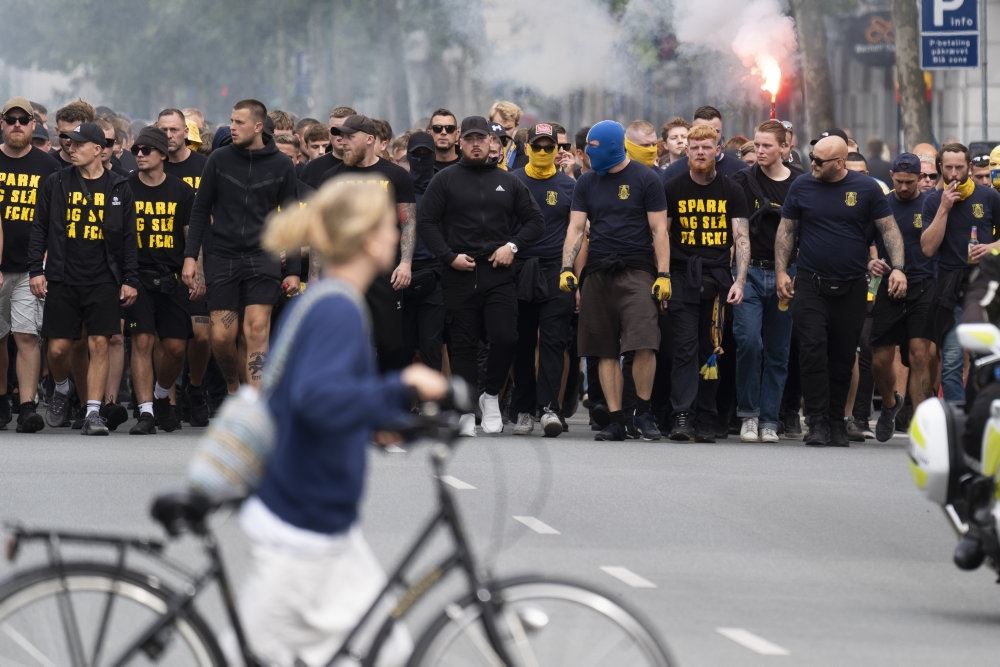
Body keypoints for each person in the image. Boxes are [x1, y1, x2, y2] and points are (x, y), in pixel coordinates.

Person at [236, 176, 446, 664]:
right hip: (304, 513)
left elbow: (312, 395)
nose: (397, 234)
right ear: (368, 237)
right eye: (389, 226)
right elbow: (317, 398)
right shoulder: (338, 309)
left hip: (315, 510)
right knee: (274, 651)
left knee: (377, 646)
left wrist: (377, 417)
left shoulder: (326, 299)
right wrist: (402, 387)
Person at [775, 131, 907, 447]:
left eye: (820, 161)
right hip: (811, 283)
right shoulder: (802, 185)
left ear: (839, 161)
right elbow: (786, 230)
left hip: (851, 288)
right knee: (812, 350)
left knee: (842, 355)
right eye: (812, 159)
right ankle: (817, 422)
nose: (814, 165)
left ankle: (837, 422)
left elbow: (889, 230)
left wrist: (899, 268)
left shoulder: (865, 189)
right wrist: (782, 272)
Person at [417, 115, 543, 436]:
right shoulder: (445, 180)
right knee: (463, 344)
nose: (475, 144)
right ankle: (464, 409)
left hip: (499, 271)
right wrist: (448, 256)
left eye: (481, 139)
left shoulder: (510, 182)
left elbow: (534, 221)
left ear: (491, 143)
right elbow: (427, 222)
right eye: (470, 139)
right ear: (460, 141)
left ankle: (490, 396)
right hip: (460, 271)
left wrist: (511, 247)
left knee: (505, 337)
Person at [181, 99, 300, 394]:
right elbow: (199, 211)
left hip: (263, 256)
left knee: (257, 330)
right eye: (231, 121)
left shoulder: (282, 165)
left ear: (258, 126)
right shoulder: (218, 160)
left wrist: (294, 270)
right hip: (222, 254)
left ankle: (256, 401)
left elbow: (294, 220)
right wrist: (190, 258)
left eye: (239, 123)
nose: (232, 128)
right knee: (221, 337)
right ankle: (234, 386)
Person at [560, 120, 670, 441]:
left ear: (611, 148)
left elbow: (659, 230)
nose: (590, 160)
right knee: (603, 349)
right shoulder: (586, 182)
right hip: (598, 272)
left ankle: (644, 412)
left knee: (644, 342)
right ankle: (616, 417)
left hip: (637, 269)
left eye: (594, 152)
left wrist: (663, 274)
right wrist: (567, 267)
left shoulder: (646, 179)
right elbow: (576, 228)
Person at [27, 121, 139, 435]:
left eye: (78, 144)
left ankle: (93, 412)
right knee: (59, 349)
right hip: (62, 276)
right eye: (69, 144)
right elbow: (40, 229)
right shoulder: (56, 182)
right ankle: (61, 386)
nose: (71, 149)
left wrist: (130, 278)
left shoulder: (119, 187)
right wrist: (36, 270)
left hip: (104, 278)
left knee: (100, 343)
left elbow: (130, 237)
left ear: (98, 150)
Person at [664, 124, 750, 442]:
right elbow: (661, 234)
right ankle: (682, 416)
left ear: (718, 150)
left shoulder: (732, 189)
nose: (701, 152)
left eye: (706, 147)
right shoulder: (672, 187)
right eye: (695, 147)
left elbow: (741, 238)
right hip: (681, 275)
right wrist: (662, 277)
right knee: (684, 348)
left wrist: (739, 281)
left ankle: (707, 415)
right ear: (687, 151)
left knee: (711, 349)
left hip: (717, 278)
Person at [322, 114, 416, 371]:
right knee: (344, 343)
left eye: (350, 136)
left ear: (370, 139)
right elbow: (323, 229)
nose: (343, 142)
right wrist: (317, 276)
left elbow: (407, 221)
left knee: (390, 346)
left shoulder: (396, 176)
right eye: (340, 136)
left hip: (384, 273)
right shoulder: (332, 177)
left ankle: (388, 405)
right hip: (343, 273)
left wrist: (406, 263)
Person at [730, 119, 801, 443]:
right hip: (752, 273)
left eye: (766, 145)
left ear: (785, 147)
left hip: (788, 274)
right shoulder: (742, 181)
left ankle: (770, 419)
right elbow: (739, 233)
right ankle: (748, 414)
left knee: (778, 350)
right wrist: (740, 279)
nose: (759, 151)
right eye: (757, 145)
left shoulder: (800, 183)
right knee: (748, 342)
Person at [125, 126, 197, 435]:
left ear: (163, 156)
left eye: (146, 151)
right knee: (142, 341)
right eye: (136, 151)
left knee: (176, 348)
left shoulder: (181, 191)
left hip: (173, 277)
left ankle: (160, 393)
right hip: (137, 276)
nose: (139, 155)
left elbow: (190, 237)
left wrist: (197, 272)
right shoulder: (124, 188)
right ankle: (145, 412)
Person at [510, 123, 577, 437]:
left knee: (553, 340)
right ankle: (523, 409)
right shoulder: (512, 182)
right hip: (520, 269)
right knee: (521, 342)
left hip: (556, 270)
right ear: (527, 149)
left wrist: (572, 272)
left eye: (548, 147)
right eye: (536, 146)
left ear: (556, 150)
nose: (542, 152)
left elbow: (577, 233)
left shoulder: (568, 186)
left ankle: (549, 407)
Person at [920, 143, 1000, 404]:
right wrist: (943, 208)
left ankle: (980, 411)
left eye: (960, 167)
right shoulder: (933, 200)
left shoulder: (988, 197)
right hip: (950, 289)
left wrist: (991, 247)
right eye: (949, 168)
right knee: (952, 360)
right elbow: (928, 248)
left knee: (983, 358)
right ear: (940, 167)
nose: (954, 174)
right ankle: (957, 417)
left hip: (983, 287)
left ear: (969, 167)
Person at [0, 97, 60, 432]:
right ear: (3, 123)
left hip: (30, 267)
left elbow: (58, 219)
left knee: (25, 336)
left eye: (24, 120)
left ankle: (26, 404)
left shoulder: (48, 167)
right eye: (12, 119)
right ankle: (1, 401)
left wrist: (46, 261)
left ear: (34, 125)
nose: (18, 125)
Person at [868, 153, 936, 442]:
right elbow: (863, 240)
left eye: (910, 182)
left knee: (919, 352)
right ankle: (889, 404)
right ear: (892, 176)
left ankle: (922, 426)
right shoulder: (881, 204)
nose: (905, 187)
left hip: (923, 285)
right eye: (899, 182)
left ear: (921, 178)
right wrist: (869, 262)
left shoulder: (931, 204)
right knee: (880, 358)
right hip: (887, 286)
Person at [158, 107, 212, 425]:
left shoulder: (205, 167)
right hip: (163, 265)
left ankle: (195, 387)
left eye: (175, 130)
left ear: (186, 133)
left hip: (201, 260)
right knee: (167, 339)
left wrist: (201, 266)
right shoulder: (152, 165)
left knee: (202, 336)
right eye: (163, 130)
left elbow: (212, 219)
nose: (169, 136)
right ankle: (168, 399)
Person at [399, 131, 445, 371]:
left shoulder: (443, 186)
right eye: (416, 154)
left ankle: (434, 403)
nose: (421, 159)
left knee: (431, 344)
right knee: (403, 345)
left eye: (427, 154)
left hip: (435, 274)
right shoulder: (399, 187)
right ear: (408, 156)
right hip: (401, 275)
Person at [660, 106, 745, 181]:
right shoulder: (674, 172)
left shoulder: (739, 170)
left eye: (716, 131)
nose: (709, 135)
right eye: (702, 130)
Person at [300, 105, 356, 189]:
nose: (340, 135)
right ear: (329, 133)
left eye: (345, 129)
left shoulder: (368, 164)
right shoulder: (312, 168)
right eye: (335, 130)